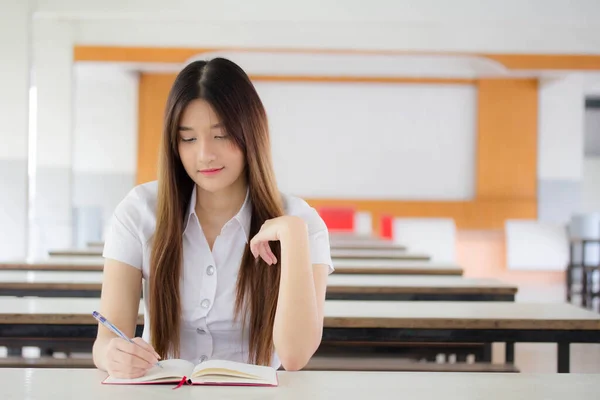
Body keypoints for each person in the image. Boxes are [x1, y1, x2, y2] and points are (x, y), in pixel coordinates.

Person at [92, 57, 334, 379]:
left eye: (220, 135)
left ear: (251, 134)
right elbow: (105, 341)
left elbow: (294, 356)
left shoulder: (299, 222)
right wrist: (113, 355)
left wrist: (294, 237)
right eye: (188, 139)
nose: (204, 154)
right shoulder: (140, 210)